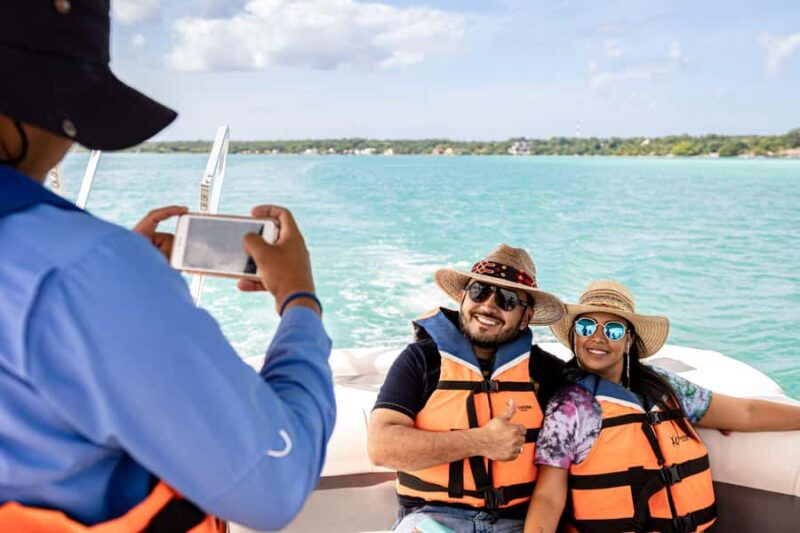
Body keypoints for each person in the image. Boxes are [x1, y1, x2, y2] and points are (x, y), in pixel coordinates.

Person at [0, 2, 335, 531]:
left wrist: (111, 289)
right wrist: (299, 301)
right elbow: (275, 484)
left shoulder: (78, 270)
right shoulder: (86, 269)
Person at [524, 280, 800, 533]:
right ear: (574, 336)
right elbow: (548, 497)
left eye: (613, 330)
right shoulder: (568, 408)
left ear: (629, 339)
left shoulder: (665, 387)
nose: (597, 338)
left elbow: (746, 413)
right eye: (586, 327)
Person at [368, 244, 567, 533]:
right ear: (463, 298)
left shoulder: (548, 374)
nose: (488, 305)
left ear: (526, 316)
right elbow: (380, 448)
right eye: (479, 292)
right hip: (432, 520)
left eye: (507, 299)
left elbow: (554, 482)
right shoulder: (421, 360)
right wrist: (480, 441)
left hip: (518, 524)